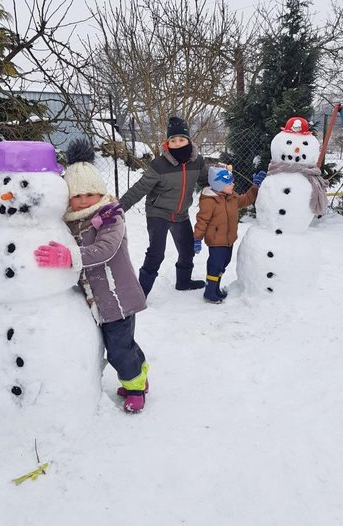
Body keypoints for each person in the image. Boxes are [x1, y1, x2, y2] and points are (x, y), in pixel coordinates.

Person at [34, 138, 148, 413]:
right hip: (96, 301)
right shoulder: (71, 222)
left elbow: (105, 250)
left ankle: (135, 387)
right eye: (77, 196)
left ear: (100, 193)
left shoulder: (110, 217)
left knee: (118, 349)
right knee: (120, 344)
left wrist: (69, 257)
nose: (84, 200)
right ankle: (139, 372)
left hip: (117, 298)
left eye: (90, 194)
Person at [119, 116, 209, 297]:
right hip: (158, 212)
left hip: (181, 213)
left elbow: (205, 182)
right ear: (167, 143)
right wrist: (119, 207)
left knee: (188, 249)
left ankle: (183, 281)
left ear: (188, 140)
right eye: (173, 140)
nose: (177, 143)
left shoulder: (197, 162)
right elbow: (140, 188)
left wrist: (223, 188)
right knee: (156, 253)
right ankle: (140, 294)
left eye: (181, 139)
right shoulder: (159, 164)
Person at [193, 164, 266, 303]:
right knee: (215, 265)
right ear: (219, 185)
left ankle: (216, 289)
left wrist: (255, 187)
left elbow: (245, 200)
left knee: (223, 264)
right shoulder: (209, 201)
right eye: (229, 182)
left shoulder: (231, 197)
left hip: (229, 239)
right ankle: (209, 292)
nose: (233, 184)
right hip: (216, 240)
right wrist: (197, 238)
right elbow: (202, 221)